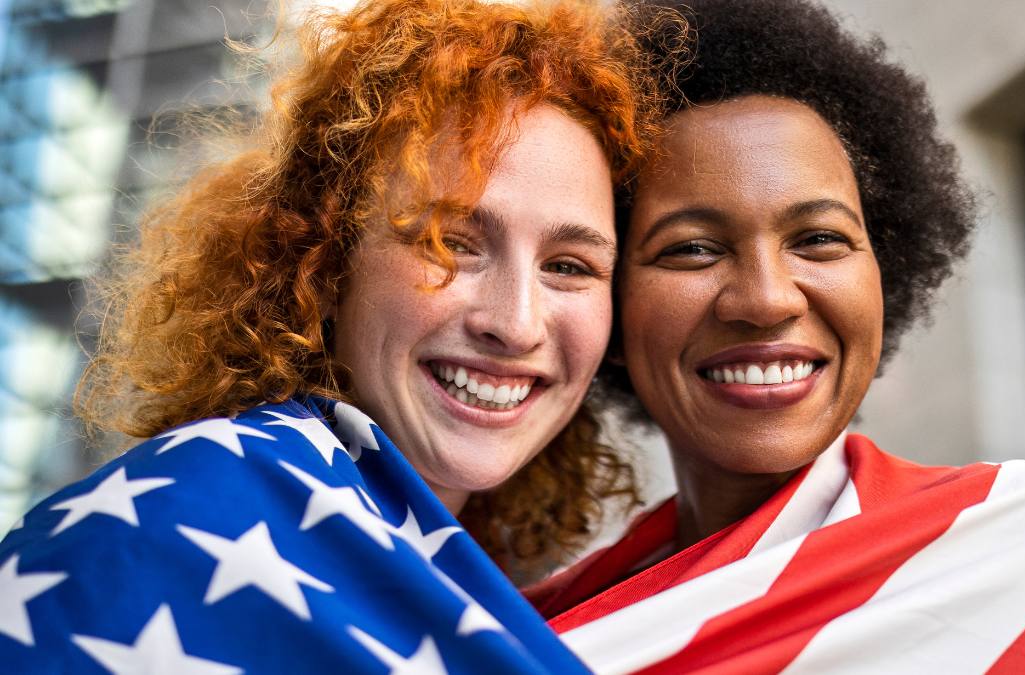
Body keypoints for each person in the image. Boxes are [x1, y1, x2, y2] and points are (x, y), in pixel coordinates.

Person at [0, 0, 673, 672]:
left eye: (568, 266)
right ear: (329, 254)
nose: (517, 322)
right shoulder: (164, 529)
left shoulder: (497, 595)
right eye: (452, 243)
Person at [526, 0, 1025, 672]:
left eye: (818, 239)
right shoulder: (528, 631)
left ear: (884, 268)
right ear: (606, 300)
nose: (766, 299)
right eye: (692, 249)